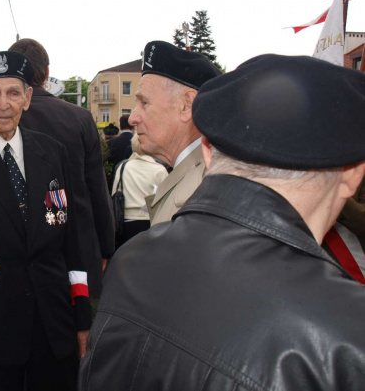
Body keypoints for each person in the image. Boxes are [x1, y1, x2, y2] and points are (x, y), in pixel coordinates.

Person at [79, 54, 365, 390]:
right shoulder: (347, 331)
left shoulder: (130, 260)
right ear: (352, 175)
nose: (136, 117)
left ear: (209, 152)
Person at [0, 51, 91, 391]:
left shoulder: (53, 153)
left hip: (53, 326)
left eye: (13, 92)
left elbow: (73, 238)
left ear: (27, 98)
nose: (3, 103)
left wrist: (81, 315)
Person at [0, 38, 115, 295]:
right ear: (47, 73)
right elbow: (96, 190)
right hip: (74, 257)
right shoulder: (80, 119)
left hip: (7, 258)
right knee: (77, 330)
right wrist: (105, 248)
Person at [129, 41, 220, 225]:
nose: (132, 118)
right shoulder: (200, 178)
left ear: (186, 106)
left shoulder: (204, 190)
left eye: (144, 103)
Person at [111, 134, 167, 250]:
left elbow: (115, 193)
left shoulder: (122, 167)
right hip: (151, 222)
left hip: (125, 222)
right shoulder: (160, 170)